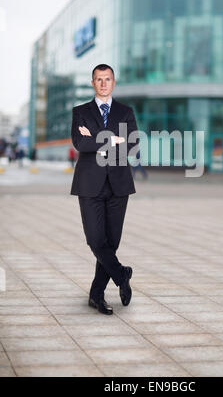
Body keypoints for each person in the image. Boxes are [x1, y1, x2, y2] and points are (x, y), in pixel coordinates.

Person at [70, 64, 139, 315]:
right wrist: (112, 138)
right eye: (98, 79)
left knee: (112, 242)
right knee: (95, 240)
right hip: (89, 185)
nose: (103, 83)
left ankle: (96, 295)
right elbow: (80, 142)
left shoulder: (125, 111)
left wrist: (98, 138)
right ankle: (122, 275)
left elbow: (132, 143)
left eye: (107, 79)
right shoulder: (80, 112)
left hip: (119, 184)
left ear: (113, 82)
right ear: (92, 83)